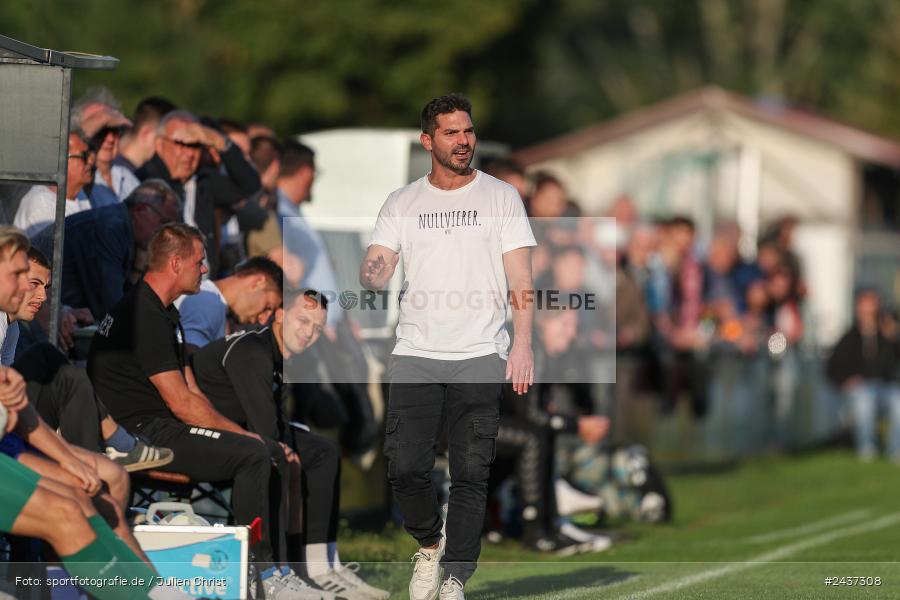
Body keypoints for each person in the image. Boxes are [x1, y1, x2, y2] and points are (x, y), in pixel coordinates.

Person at [360, 93, 536, 600]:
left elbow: (521, 278)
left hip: (481, 352)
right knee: (405, 465)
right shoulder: (402, 201)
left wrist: (522, 345)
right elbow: (374, 266)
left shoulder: (501, 197)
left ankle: (456, 576)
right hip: (416, 351)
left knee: (470, 472)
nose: (464, 141)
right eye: (452, 133)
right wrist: (374, 272)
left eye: (468, 131)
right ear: (428, 141)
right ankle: (430, 547)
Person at [86, 223, 315, 598]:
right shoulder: (144, 313)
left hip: (158, 425)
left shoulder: (164, 312)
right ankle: (263, 576)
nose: (205, 269)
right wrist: (249, 439)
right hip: (141, 433)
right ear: (176, 263)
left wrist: (248, 437)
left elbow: (193, 391)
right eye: (199, 261)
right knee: (255, 455)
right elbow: (181, 403)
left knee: (262, 450)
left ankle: (278, 570)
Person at [0, 226, 185, 600]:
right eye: (20, 276)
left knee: (106, 480)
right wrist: (67, 460)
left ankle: (151, 590)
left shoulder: (10, 325)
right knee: (69, 507)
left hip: (7, 444)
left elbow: (15, 411)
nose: (32, 290)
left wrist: (69, 458)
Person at [191, 290, 390, 599]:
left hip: (240, 432)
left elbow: (275, 419)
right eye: (303, 320)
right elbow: (265, 428)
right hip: (199, 436)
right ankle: (271, 573)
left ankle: (321, 567)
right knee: (274, 456)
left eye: (317, 327)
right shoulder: (254, 349)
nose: (309, 332)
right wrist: (284, 448)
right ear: (280, 314)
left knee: (323, 452)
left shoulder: (286, 357)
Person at [4, 247, 172, 472]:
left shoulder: (11, 325)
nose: (43, 297)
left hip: (9, 416)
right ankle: (113, 446)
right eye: (34, 284)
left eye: (45, 287)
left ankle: (106, 452)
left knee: (59, 368)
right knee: (54, 365)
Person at [31, 179, 182, 322]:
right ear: (140, 209)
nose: (166, 233)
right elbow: (111, 308)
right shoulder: (110, 229)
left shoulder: (122, 229)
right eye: (164, 223)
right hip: (37, 316)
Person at [137, 110, 261, 274]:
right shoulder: (144, 182)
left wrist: (218, 140)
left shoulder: (203, 182)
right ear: (160, 144)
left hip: (206, 283)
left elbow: (249, 185)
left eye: (196, 145)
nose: (189, 153)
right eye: (181, 143)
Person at [826, 289, 900, 461]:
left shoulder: (887, 337)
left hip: (885, 387)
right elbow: (833, 367)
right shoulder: (849, 338)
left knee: (898, 400)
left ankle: (895, 449)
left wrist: (890, 339)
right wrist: (846, 380)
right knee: (864, 398)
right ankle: (867, 448)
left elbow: (889, 366)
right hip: (860, 390)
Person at [175, 256, 284, 348]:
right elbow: (189, 355)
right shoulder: (208, 302)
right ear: (258, 282)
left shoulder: (212, 302)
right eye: (268, 307)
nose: (263, 321)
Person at [13, 131, 94, 237]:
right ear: (62, 160)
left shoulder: (80, 195)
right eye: (84, 155)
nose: (91, 161)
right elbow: (50, 251)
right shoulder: (42, 203)